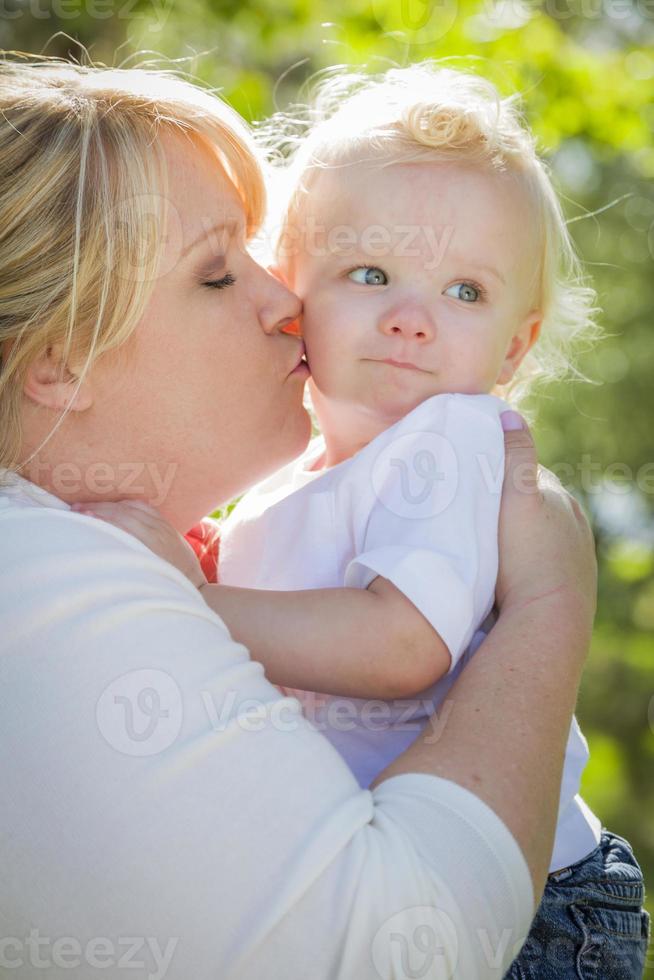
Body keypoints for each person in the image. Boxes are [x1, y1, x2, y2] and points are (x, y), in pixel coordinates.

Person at [0, 55, 614, 979]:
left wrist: (200, 598)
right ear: (58, 360)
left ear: (517, 344)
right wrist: (550, 604)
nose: (282, 305)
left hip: (551, 920)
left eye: (465, 292)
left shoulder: (449, 441)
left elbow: (399, 646)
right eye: (217, 274)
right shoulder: (47, 570)